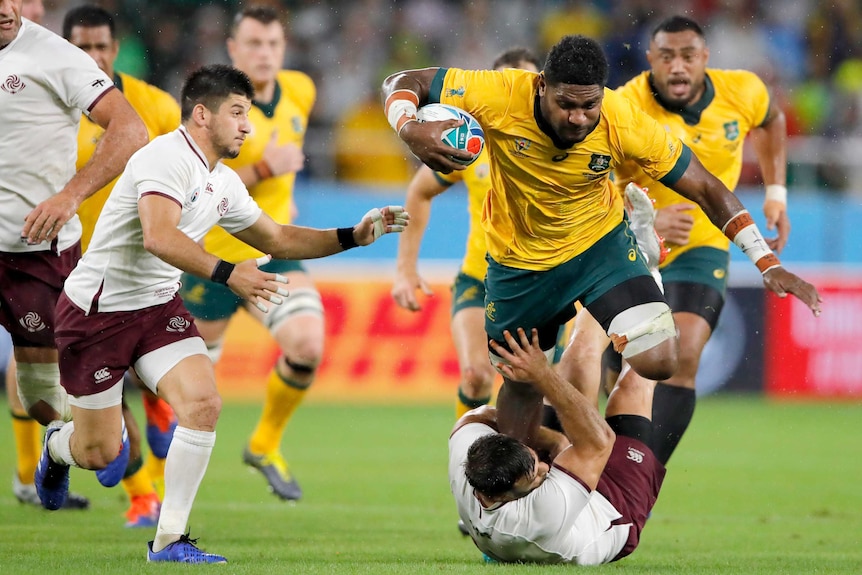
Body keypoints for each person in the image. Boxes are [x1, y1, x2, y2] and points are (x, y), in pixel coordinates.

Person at [34, 63, 408, 564]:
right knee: (98, 453)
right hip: (97, 312)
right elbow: (159, 236)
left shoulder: (223, 181)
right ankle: (59, 447)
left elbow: (277, 237)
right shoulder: (164, 157)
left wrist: (353, 236)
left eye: (248, 114)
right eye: (237, 113)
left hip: (157, 309)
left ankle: (169, 541)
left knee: (204, 405)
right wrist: (232, 274)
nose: (247, 126)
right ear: (203, 115)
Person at [382, 34, 821, 443]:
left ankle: (603, 450)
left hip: (599, 249)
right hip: (520, 263)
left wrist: (766, 261)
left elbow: (706, 187)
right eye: (566, 104)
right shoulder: (499, 93)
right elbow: (403, 81)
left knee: (662, 359)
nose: (578, 117)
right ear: (540, 87)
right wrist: (407, 126)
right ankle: (505, 487)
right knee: (518, 385)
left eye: (589, 105)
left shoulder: (622, 119)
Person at [557, 15, 793, 465]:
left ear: (705, 58)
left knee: (681, 358)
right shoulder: (623, 105)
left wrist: (776, 194)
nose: (678, 67)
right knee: (596, 359)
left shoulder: (743, 91)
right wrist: (647, 220)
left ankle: (640, 472)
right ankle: (576, 462)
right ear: (650, 61)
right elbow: (589, 181)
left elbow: (773, 120)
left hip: (701, 247)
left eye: (688, 56)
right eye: (667, 57)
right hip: (626, 249)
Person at [0, 0, 146, 506]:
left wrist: (70, 196)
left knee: (45, 404)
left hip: (36, 256)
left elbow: (131, 130)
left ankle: (62, 446)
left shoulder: (54, 56)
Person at [178, 5, 314, 501]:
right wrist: (264, 171)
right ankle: (153, 486)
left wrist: (284, 192)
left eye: (273, 44)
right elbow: (195, 178)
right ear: (233, 49)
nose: (265, 54)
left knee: (307, 345)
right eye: (254, 44)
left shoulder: (301, 90)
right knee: (189, 393)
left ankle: (264, 444)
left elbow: (287, 157)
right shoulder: (213, 104)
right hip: (211, 259)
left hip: (272, 248)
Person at [62, 3, 183, 528]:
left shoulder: (153, 107)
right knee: (100, 392)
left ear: (116, 49)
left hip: (138, 266)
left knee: (136, 371)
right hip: (68, 265)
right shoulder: (48, 107)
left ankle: (158, 406)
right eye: (81, 48)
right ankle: (142, 493)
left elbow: (188, 174)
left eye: (101, 47)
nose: (92, 56)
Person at [391, 47, 542, 420]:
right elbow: (419, 191)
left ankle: (538, 472)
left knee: (534, 387)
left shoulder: (560, 147)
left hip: (541, 281)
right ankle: (465, 465)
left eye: (523, 84)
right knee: (475, 377)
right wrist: (406, 269)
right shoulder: (470, 146)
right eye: (504, 85)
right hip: (480, 275)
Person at [449, 327, 663, 565]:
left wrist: (551, 439)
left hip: (565, 485)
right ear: (503, 498)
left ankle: (614, 296)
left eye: (534, 460)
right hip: (609, 511)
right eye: (534, 477)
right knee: (633, 385)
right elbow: (600, 441)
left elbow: (476, 417)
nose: (544, 468)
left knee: (577, 360)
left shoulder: (469, 456)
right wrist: (542, 374)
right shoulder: (538, 519)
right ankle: (650, 318)